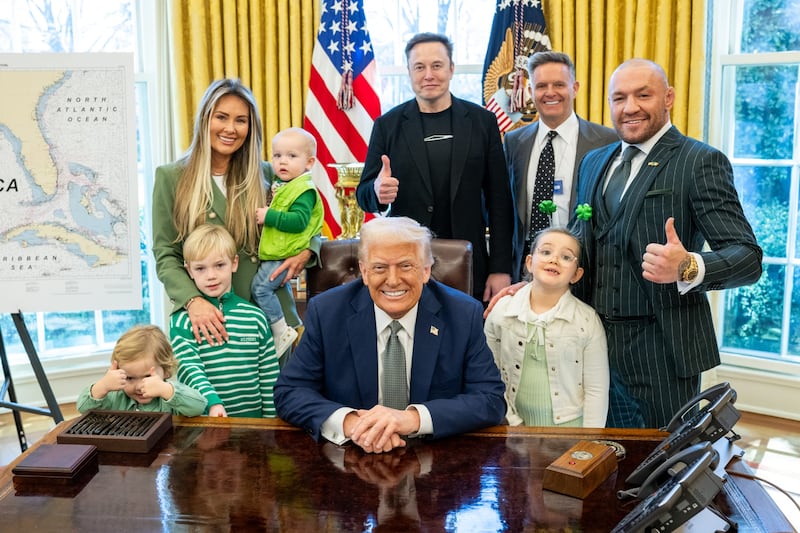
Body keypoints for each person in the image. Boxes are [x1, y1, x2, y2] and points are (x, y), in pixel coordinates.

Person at [569, 58, 762, 428]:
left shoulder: (699, 161)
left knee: (663, 463)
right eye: (619, 97)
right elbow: (583, 239)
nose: (630, 108)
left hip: (661, 348)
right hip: (590, 341)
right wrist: (534, 284)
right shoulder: (593, 162)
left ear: (668, 97)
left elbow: (748, 258)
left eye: (644, 95)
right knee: (598, 456)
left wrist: (689, 266)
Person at [273, 216, 506, 453]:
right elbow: (290, 392)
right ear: (363, 271)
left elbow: (490, 399)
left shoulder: (462, 314)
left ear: (426, 270)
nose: (393, 281)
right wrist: (352, 423)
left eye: (406, 266)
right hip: (350, 459)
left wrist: (411, 419)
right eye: (379, 268)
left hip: (435, 463)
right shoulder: (327, 312)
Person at [152, 78, 319, 349]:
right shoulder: (171, 177)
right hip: (212, 317)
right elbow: (165, 254)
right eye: (221, 117)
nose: (231, 128)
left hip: (272, 315)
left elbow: (310, 218)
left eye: (241, 120)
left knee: (283, 392)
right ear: (205, 119)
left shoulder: (268, 173)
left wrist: (307, 251)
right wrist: (193, 301)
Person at [355, 32, 514, 303]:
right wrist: (377, 192)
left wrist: (500, 268)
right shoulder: (388, 125)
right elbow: (364, 194)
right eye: (419, 67)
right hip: (406, 265)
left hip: (470, 264)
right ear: (409, 72)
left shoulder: (482, 122)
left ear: (451, 69)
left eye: (437, 65)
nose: (429, 74)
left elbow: (500, 201)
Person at [504, 51, 617, 282]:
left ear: (574, 88)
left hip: (585, 269)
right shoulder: (515, 142)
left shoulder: (607, 141)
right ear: (531, 91)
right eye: (541, 85)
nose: (550, 92)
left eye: (559, 84)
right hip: (528, 268)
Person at [484, 227, 608, 427]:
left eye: (566, 257)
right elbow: (491, 373)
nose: (554, 260)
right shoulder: (502, 312)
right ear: (529, 262)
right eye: (546, 252)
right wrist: (512, 422)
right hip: (515, 428)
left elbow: (596, 390)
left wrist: (589, 439)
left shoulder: (587, 321)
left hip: (571, 430)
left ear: (577, 274)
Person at [171, 224, 280, 418]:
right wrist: (213, 403)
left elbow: (269, 377)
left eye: (219, 265)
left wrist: (271, 424)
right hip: (204, 424)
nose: (211, 275)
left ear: (234, 263)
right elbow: (188, 368)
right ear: (189, 271)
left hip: (253, 426)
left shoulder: (255, 317)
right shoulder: (181, 321)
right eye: (200, 268)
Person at [251, 127, 323, 355]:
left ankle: (281, 330)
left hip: (284, 255)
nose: (283, 162)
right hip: (277, 252)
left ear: (309, 162)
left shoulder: (303, 189)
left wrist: (268, 216)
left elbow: (299, 222)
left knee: (261, 290)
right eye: (277, 155)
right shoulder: (284, 183)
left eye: (292, 156)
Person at [77, 324, 207, 416]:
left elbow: (199, 406)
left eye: (147, 377)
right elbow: (83, 408)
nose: (139, 386)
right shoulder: (115, 396)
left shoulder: (168, 394)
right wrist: (103, 386)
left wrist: (166, 390)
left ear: (166, 370)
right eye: (129, 378)